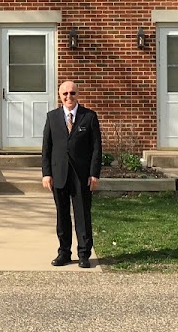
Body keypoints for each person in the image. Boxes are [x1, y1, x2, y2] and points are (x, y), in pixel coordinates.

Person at [41, 80, 103, 268]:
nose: (69, 97)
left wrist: (94, 174)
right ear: (60, 96)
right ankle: (64, 252)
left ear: (78, 94)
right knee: (62, 215)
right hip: (59, 174)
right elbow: (47, 148)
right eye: (65, 94)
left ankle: (84, 253)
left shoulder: (89, 117)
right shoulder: (52, 117)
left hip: (82, 176)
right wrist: (46, 173)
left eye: (72, 93)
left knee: (82, 215)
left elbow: (96, 148)